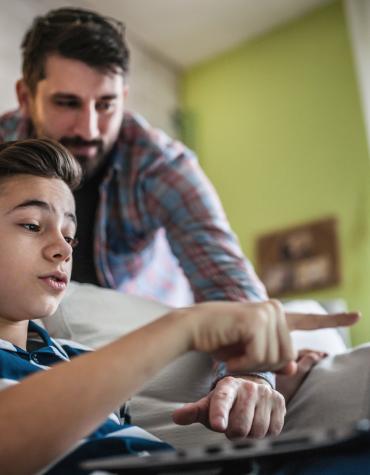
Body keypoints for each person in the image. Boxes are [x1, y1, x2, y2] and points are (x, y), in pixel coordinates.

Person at [0, 6, 283, 439]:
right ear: (25, 96)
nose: (90, 128)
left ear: (125, 98)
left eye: (106, 104)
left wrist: (253, 375)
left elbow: (228, 280)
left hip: (131, 316)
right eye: (67, 103)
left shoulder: (162, 166)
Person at [0, 138, 358, 474]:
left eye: (69, 234)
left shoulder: (77, 358)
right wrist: (185, 326)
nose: (63, 249)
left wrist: (279, 382)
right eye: (32, 225)